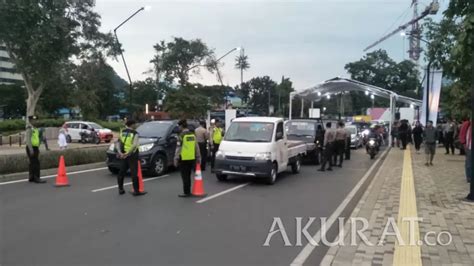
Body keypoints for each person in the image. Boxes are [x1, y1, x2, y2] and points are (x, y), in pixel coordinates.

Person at [116, 120, 146, 196]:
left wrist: (120, 153)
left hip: (123, 154)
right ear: (132, 125)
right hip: (132, 155)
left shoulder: (122, 132)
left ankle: (121, 189)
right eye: (134, 124)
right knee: (134, 173)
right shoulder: (135, 133)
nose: (135, 125)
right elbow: (134, 145)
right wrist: (127, 153)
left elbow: (118, 142)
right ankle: (136, 191)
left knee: (121, 172)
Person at [174, 119, 201, 197]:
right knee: (188, 176)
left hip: (183, 159)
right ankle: (188, 191)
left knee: (185, 176)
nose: (178, 128)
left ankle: (186, 192)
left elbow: (178, 149)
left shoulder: (181, 136)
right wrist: (198, 157)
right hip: (192, 158)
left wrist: (176, 159)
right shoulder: (192, 135)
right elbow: (196, 147)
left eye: (179, 126)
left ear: (182, 126)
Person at [25, 116, 46, 183]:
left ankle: (31, 177)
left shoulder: (35, 128)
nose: (35, 121)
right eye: (34, 120)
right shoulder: (29, 128)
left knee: (32, 163)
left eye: (36, 120)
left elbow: (37, 138)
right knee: (36, 163)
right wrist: (31, 149)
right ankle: (36, 177)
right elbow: (28, 140)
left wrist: (39, 144)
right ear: (30, 121)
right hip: (31, 147)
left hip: (35, 147)